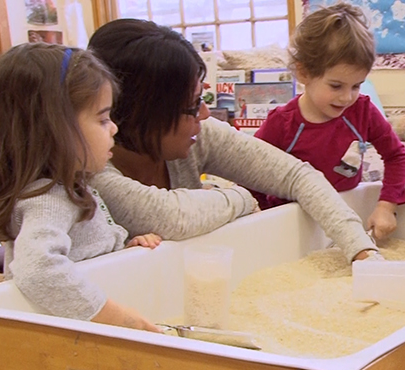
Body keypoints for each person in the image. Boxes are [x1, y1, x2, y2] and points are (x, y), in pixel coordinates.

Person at [87, 19, 379, 262]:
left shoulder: (199, 133)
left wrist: (361, 249)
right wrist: (241, 198)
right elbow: (170, 216)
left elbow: (297, 175)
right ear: (143, 114)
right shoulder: (90, 168)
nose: (204, 113)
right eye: (192, 105)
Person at [0, 43, 161, 332]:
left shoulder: (69, 187)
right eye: (102, 119)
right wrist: (118, 317)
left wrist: (122, 250)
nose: (113, 128)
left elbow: (81, 254)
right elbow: (37, 269)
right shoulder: (48, 198)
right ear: (53, 129)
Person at [252, 3, 405, 241]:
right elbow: (251, 174)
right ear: (303, 73)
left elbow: (397, 156)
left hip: (348, 208)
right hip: (295, 222)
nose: (347, 97)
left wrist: (386, 206)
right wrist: (267, 217)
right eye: (336, 86)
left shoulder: (362, 110)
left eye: (356, 85)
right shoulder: (281, 124)